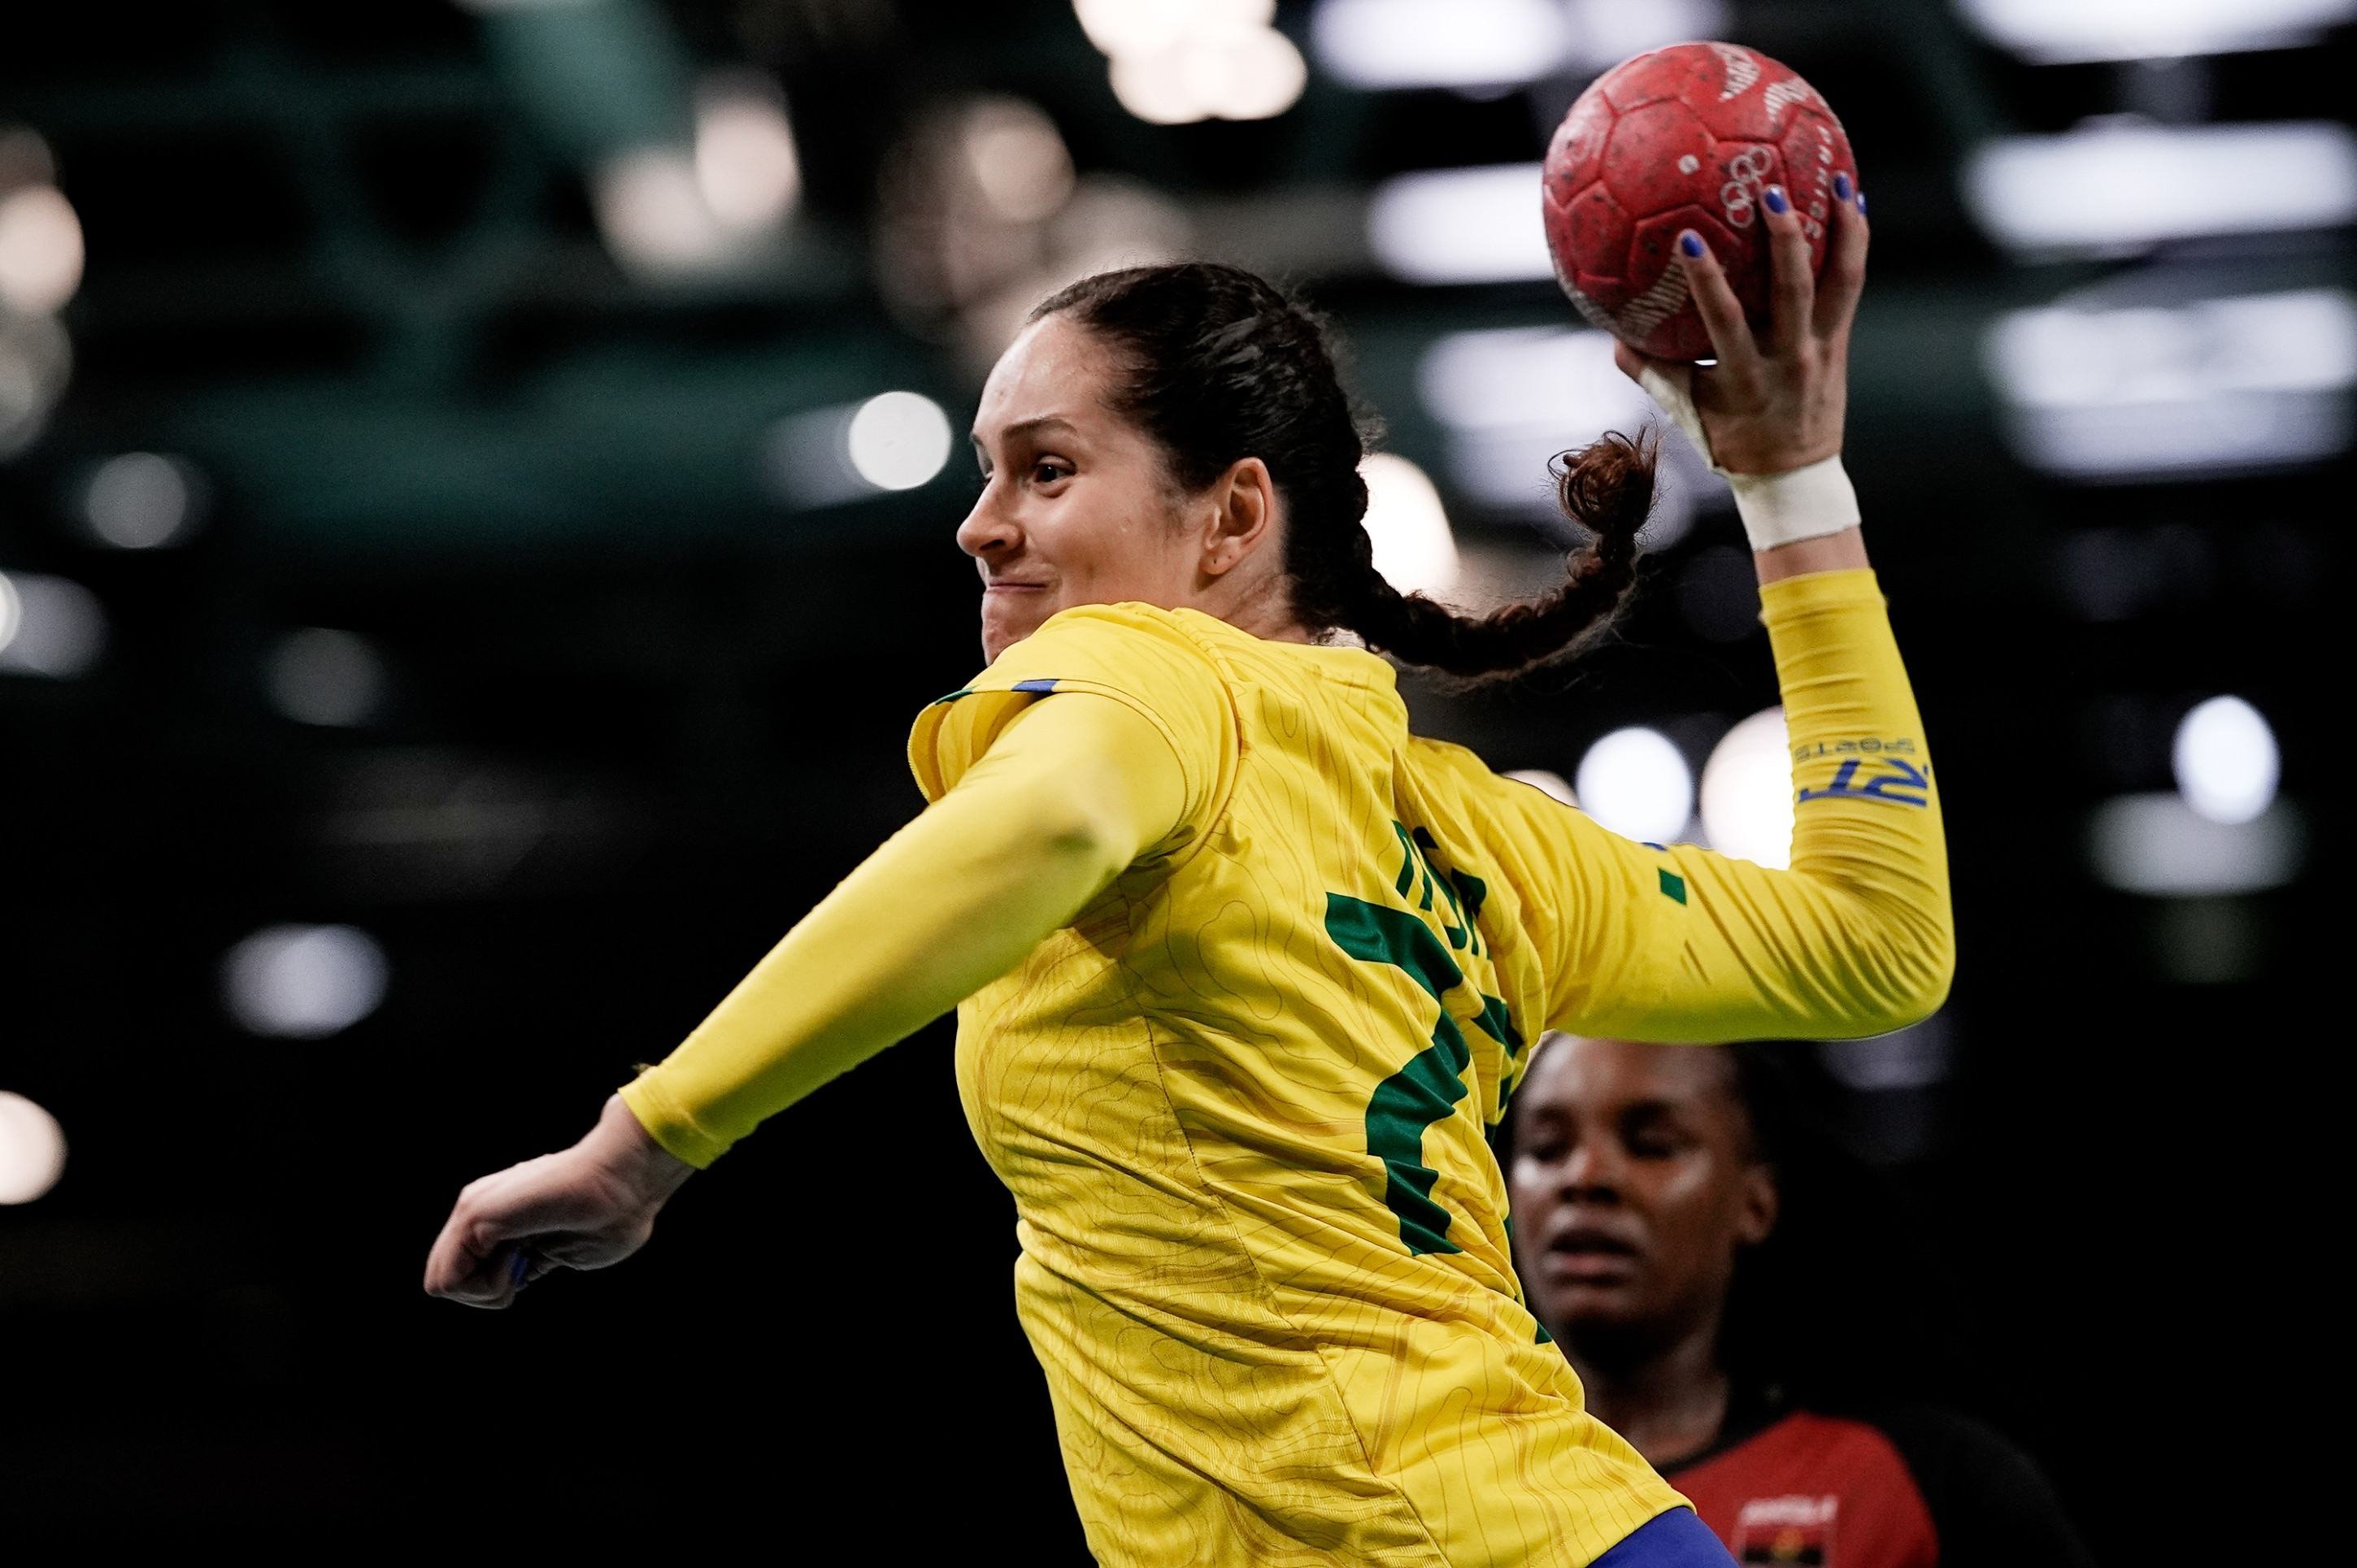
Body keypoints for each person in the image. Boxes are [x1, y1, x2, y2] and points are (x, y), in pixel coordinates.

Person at [427, 177, 1954, 1566]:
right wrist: (1792, 484)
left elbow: (1045, 820)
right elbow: (1873, 938)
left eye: (1043, 469)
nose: (979, 526)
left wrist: (650, 1138)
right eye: (985, 475)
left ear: (1228, 516)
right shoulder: (1485, 838)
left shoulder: (1156, 683)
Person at [1508, 1034, 2094, 1567]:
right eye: (1545, 1147)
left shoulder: (1937, 1483)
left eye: (1652, 1146)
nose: (1583, 1176)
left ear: (1755, 1203)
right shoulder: (1431, 1483)